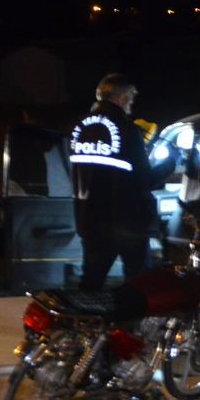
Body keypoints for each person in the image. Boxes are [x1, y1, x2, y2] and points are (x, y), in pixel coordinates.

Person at [68, 73, 174, 290]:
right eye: (131, 99)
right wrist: (171, 163)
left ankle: (86, 321)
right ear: (122, 97)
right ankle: (128, 323)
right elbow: (144, 180)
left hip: (89, 220)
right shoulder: (127, 130)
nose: (131, 105)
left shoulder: (79, 127)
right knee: (137, 284)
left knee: (91, 282)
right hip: (127, 222)